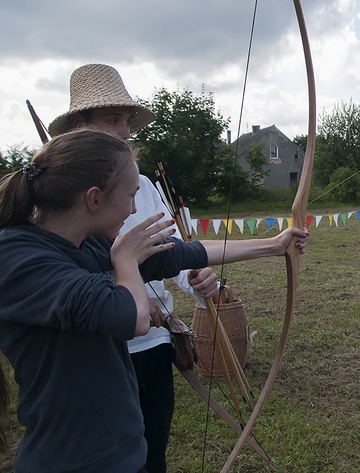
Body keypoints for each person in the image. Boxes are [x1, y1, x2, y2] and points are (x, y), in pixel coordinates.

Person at [0, 129, 307, 472]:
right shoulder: (17, 256)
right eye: (130, 196)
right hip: (73, 459)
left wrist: (274, 245)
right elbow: (132, 318)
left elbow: (184, 252)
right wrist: (126, 261)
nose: (134, 208)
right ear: (94, 199)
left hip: (123, 450)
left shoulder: (88, 243)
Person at [47, 63, 211, 473]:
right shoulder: (54, 195)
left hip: (154, 344)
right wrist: (123, 286)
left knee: (152, 451)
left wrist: (192, 280)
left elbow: (166, 250)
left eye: (128, 121)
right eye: (113, 120)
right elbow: (64, 273)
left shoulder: (143, 183)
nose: (125, 131)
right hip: (101, 347)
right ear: (80, 126)